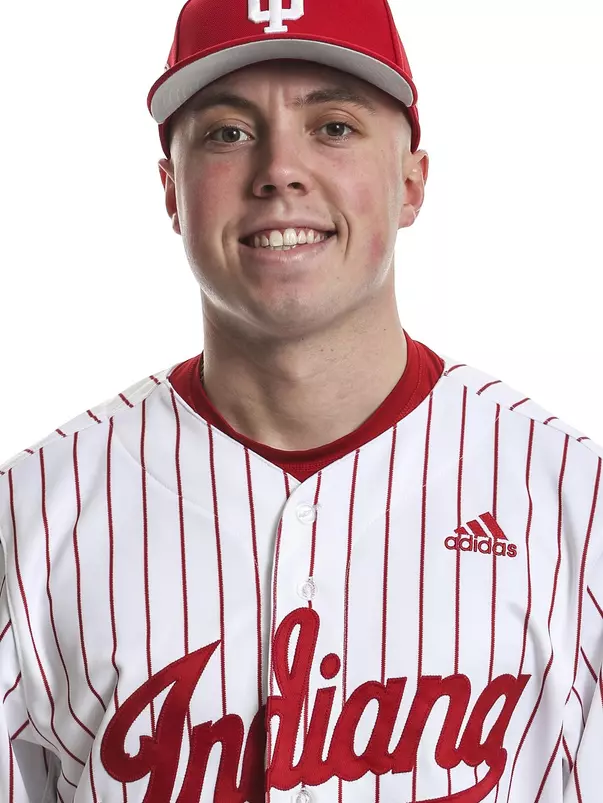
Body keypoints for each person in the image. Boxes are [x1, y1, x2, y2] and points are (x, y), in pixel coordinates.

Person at [1, 0, 602, 800]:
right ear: (171, 192)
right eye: (228, 132)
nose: (279, 169)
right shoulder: (33, 514)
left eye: (334, 126)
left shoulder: (573, 502)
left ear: (412, 182)